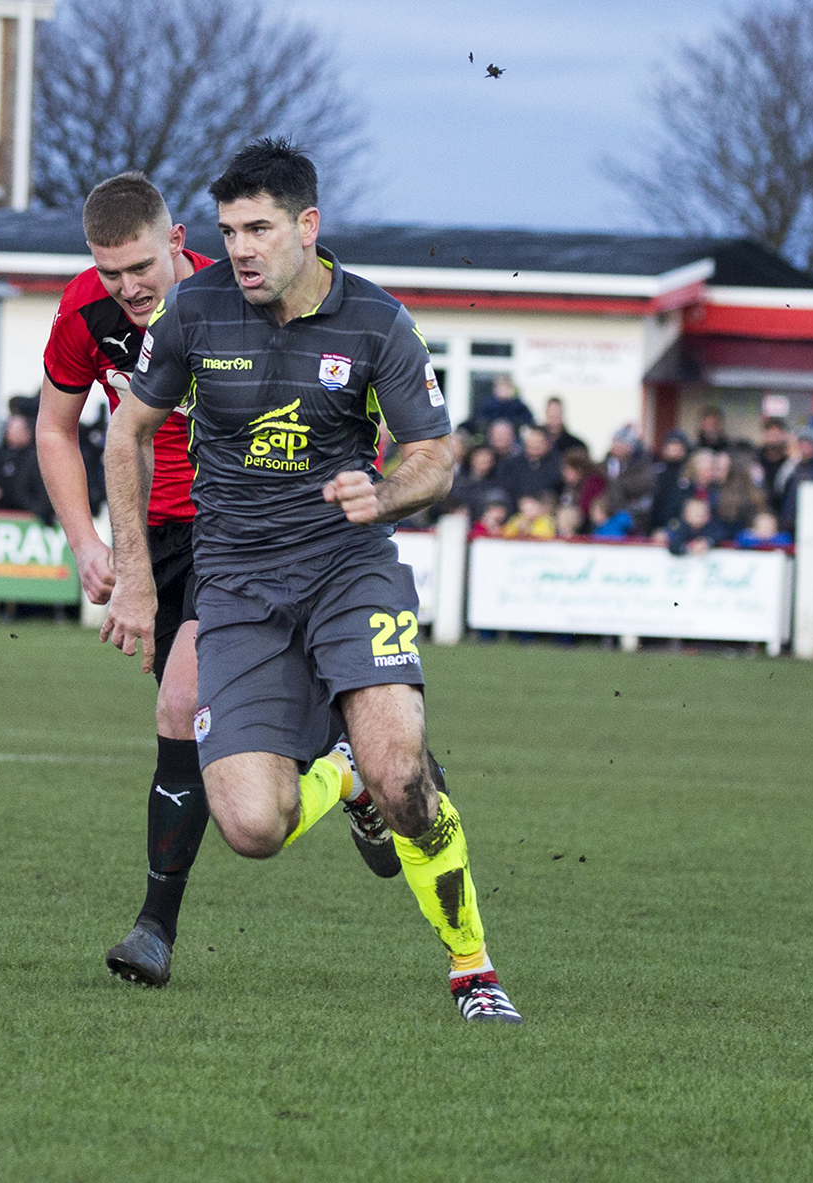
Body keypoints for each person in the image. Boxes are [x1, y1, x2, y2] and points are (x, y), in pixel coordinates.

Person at [106, 139, 521, 1023]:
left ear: (307, 226)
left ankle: (473, 970)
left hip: (346, 570)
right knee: (253, 828)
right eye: (227, 231)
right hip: (238, 591)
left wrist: (386, 492)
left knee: (407, 779)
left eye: (259, 228)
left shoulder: (377, 323)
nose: (241, 249)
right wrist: (136, 581)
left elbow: (435, 457)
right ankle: (346, 774)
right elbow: (124, 433)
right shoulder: (194, 310)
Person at [31, 171, 235, 986]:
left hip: (239, 526)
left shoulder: (234, 302)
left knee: (182, 704)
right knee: (216, 733)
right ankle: (343, 761)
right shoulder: (86, 310)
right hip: (152, 532)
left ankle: (154, 929)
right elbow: (54, 427)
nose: (128, 288)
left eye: (142, 268)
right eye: (111, 272)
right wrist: (87, 539)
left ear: (177, 240)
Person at [0, 411, 53, 521]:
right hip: (0, 516)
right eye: (10, 430)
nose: (11, 434)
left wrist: (3, 494)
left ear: (28, 433)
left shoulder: (36, 459)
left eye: (17, 431)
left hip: (31, 518)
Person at [496, 424, 562, 505]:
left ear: (548, 443)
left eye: (538, 442)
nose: (534, 445)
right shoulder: (510, 464)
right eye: (531, 442)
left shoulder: (558, 464)